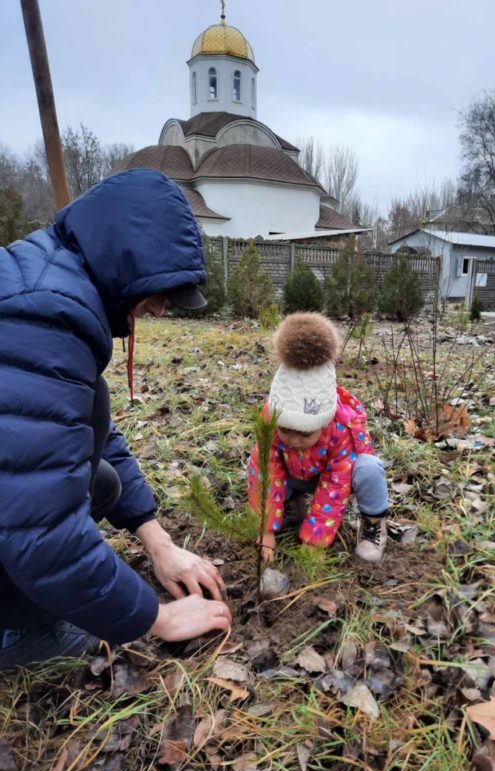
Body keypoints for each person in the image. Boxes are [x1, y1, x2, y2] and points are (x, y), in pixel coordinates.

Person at [0, 168, 231, 670]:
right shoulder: (43, 313)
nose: (161, 311)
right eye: (162, 293)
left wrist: (158, 541)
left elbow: (75, 425)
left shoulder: (46, 280)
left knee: (100, 479)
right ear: (127, 263)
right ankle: (12, 635)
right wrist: (158, 618)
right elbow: (44, 537)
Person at [248, 312, 389, 564]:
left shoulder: (340, 430)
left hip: (339, 478)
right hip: (297, 474)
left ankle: (373, 524)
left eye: (304, 433)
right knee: (257, 461)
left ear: (324, 423)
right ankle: (293, 508)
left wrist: (314, 541)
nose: (293, 440)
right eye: (286, 430)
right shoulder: (270, 422)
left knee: (369, 469)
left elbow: (335, 486)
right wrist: (266, 530)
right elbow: (266, 474)